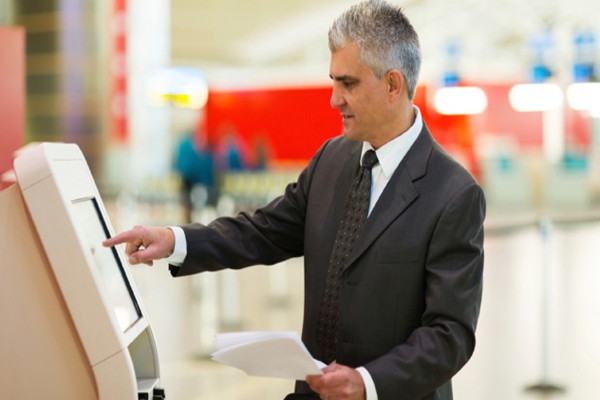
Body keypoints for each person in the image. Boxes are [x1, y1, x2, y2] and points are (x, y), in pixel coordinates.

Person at [103, 1, 486, 399]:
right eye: (333, 82)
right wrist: (175, 240)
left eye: (348, 84)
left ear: (393, 84)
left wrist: (367, 382)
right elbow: (262, 231)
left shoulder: (453, 195)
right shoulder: (331, 161)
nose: (334, 99)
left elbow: (450, 334)